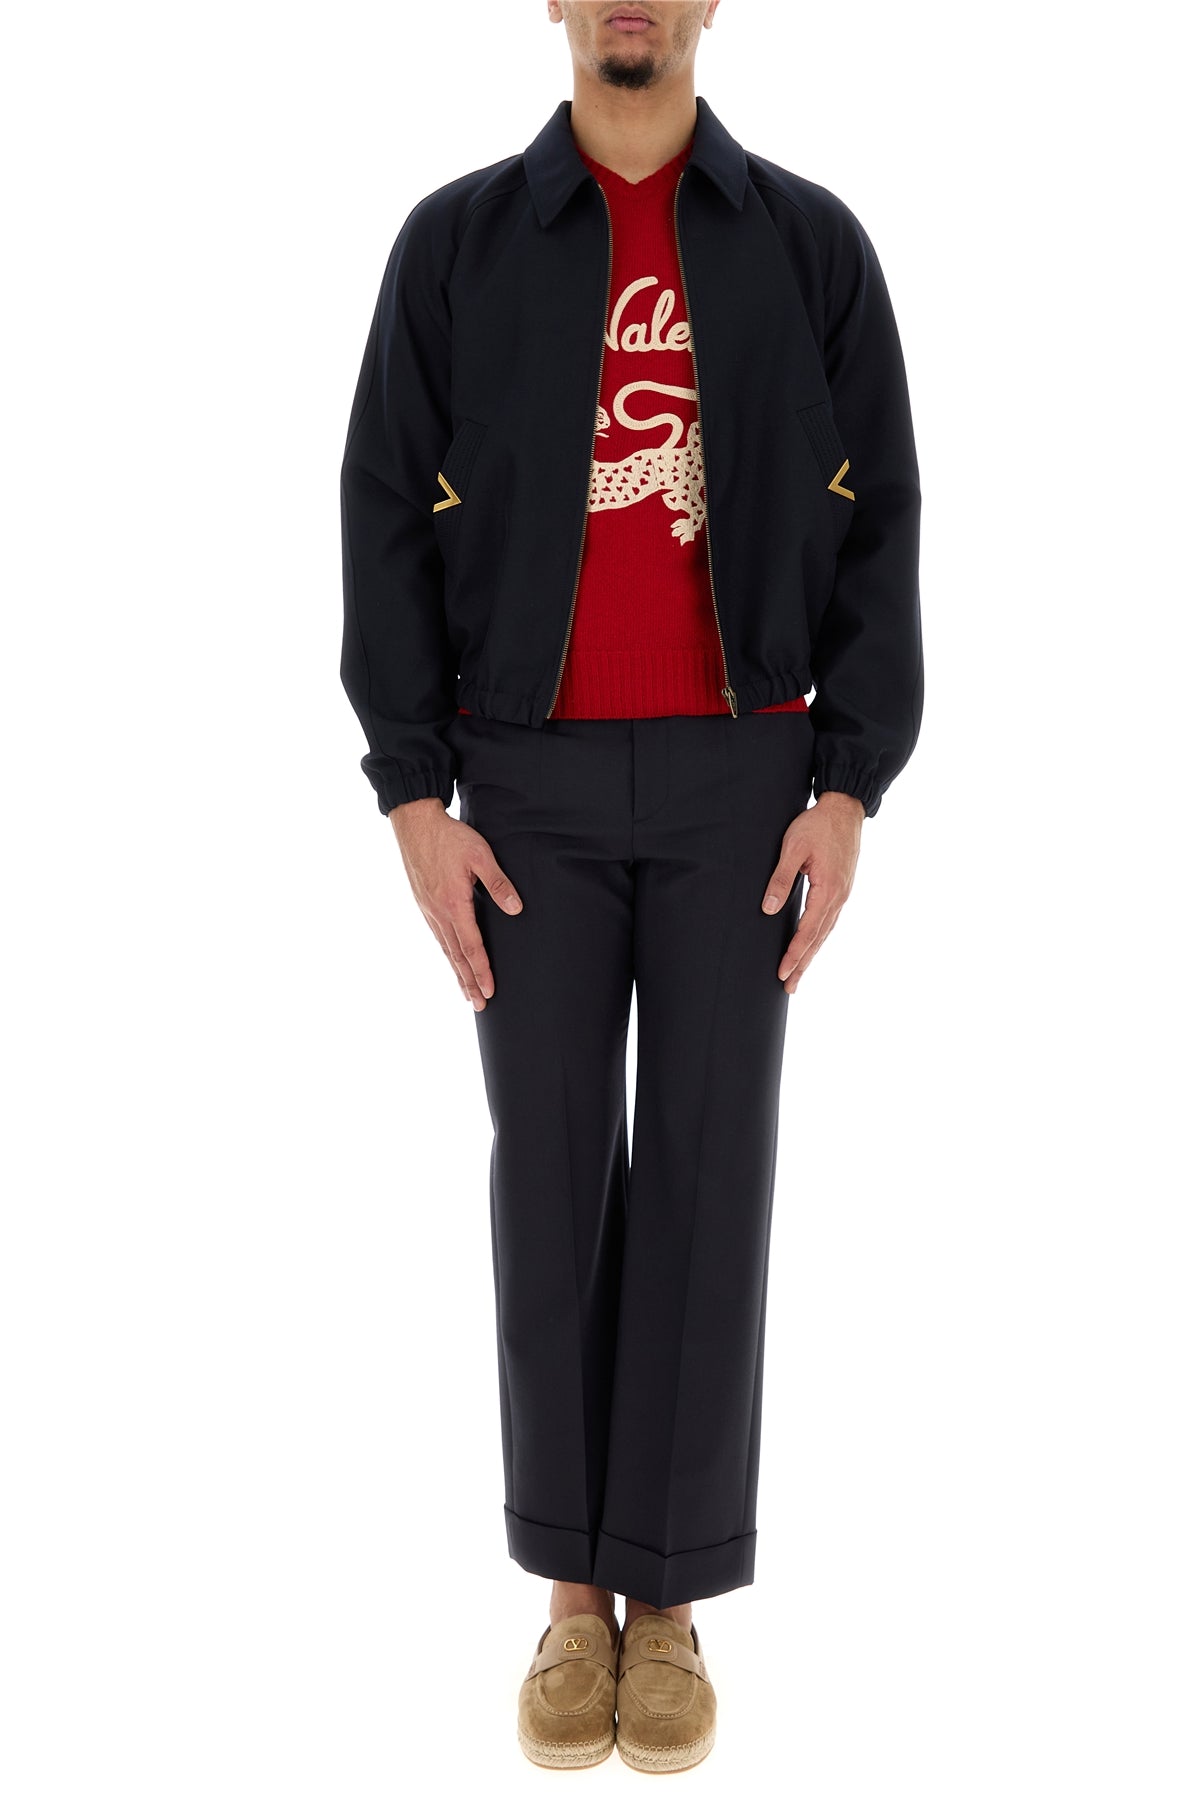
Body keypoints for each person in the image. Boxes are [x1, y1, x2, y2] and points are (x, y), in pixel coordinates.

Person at [338, 0, 922, 1773]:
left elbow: (885, 516)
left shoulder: (811, 245)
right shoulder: (455, 244)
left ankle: (666, 1599)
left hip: (750, 779)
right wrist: (413, 791)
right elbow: (380, 508)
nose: (630, 2)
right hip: (525, 780)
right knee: (549, 1176)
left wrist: (849, 784)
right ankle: (570, 1596)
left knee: (708, 1169)